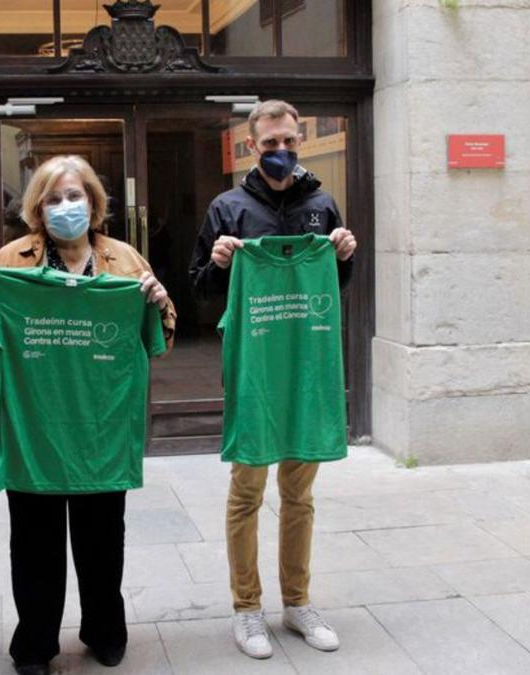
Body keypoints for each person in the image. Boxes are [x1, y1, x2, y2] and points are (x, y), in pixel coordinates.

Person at [0, 155, 175, 675]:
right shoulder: (11, 261)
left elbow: (159, 340)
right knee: (35, 546)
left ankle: (105, 630)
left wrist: (160, 302)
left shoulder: (125, 260)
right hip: (35, 427)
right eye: (53, 198)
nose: (65, 207)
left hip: (102, 426)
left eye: (74, 196)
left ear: (94, 203)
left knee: (103, 540)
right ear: (37, 207)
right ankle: (34, 643)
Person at [188, 100, 358, 659]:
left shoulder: (322, 204)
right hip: (257, 367)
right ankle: (247, 609)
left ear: (300, 140)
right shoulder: (227, 208)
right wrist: (216, 262)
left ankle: (297, 602)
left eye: (288, 141)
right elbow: (200, 290)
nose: (280, 152)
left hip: (305, 367)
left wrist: (344, 254)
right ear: (250, 145)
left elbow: (336, 284)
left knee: (299, 494)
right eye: (269, 144)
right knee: (247, 491)